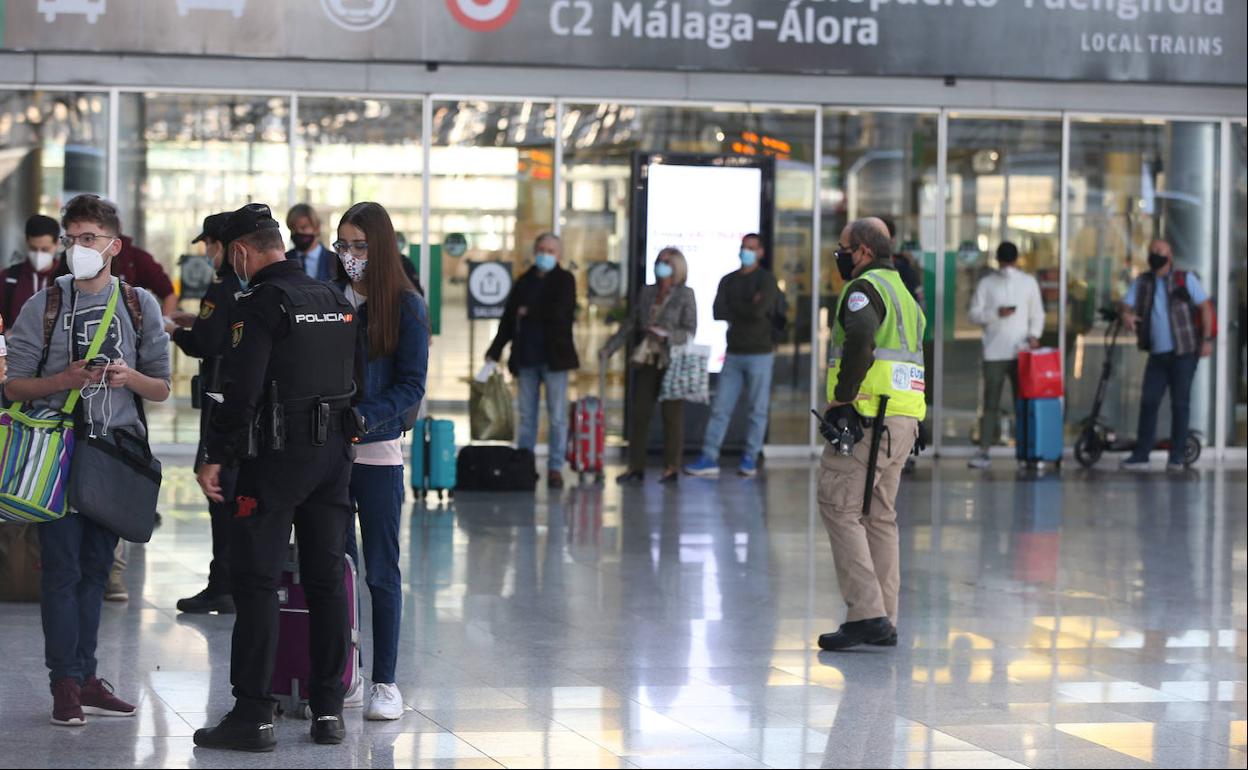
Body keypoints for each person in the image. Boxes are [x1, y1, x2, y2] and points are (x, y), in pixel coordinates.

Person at [193, 203, 362, 752]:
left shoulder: (261, 304)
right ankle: (328, 711)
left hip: (274, 460)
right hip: (334, 456)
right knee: (324, 580)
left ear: (241, 252)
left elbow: (240, 392)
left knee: (258, 582)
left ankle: (253, 714)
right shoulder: (333, 297)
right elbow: (354, 376)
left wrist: (216, 454)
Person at [4, 194, 172, 726]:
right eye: (72, 238)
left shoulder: (140, 304)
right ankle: (65, 684)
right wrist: (64, 380)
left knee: (97, 571)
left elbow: (162, 386)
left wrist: (130, 379)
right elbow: (13, 386)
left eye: (90, 239)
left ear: (114, 246)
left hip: (115, 454)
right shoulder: (45, 305)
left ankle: (87, 673)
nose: (79, 248)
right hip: (56, 453)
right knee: (61, 570)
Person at [334, 202, 429, 721]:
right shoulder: (328, 300)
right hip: (328, 457)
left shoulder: (405, 306)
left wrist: (362, 417)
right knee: (336, 566)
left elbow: (411, 385)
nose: (349, 256)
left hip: (377, 453)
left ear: (381, 247)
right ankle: (347, 670)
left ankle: (386, 681)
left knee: (380, 571)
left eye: (359, 246)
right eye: (342, 245)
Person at [816, 217, 924, 651]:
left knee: (839, 507)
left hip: (869, 418)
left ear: (862, 250)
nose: (840, 256)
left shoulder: (864, 290)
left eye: (843, 248)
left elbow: (860, 341)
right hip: (903, 420)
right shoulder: (906, 298)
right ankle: (885, 618)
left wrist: (842, 399)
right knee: (879, 515)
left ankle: (867, 614)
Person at [168, 212, 242, 615]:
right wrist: (197, 323)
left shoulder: (223, 285)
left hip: (221, 401)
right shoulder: (257, 285)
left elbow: (207, 343)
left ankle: (222, 585)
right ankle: (233, 582)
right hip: (251, 406)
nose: (208, 254)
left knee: (219, 494)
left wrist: (176, 332)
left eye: (210, 246)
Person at [485, 233, 579, 489]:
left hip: (554, 359)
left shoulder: (565, 280)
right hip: (526, 358)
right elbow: (508, 320)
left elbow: (562, 313)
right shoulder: (524, 281)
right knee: (527, 416)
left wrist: (531, 311)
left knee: (557, 416)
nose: (544, 254)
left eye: (550, 250)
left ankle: (555, 468)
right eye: (541, 249)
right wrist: (494, 351)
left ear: (558, 255)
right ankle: (524, 465)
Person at [684, 233, 781, 478]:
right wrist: (748, 304)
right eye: (743, 247)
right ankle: (709, 456)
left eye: (751, 248)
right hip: (734, 353)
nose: (745, 251)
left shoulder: (766, 280)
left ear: (760, 253)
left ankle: (750, 457)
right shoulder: (729, 280)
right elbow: (718, 311)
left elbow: (760, 311)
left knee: (757, 410)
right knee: (721, 408)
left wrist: (739, 308)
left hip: (760, 353)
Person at [601, 248, 697, 485]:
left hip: (671, 360)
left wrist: (666, 335)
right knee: (640, 413)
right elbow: (631, 323)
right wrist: (610, 348)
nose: (660, 266)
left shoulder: (685, 294)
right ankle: (636, 467)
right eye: (658, 261)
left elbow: (689, 330)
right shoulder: (647, 292)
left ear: (677, 266)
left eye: (666, 262)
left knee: (672, 416)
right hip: (646, 359)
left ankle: (671, 467)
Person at [1118, 238, 1214, 471]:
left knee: (1180, 404)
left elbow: (1205, 307)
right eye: (1152, 251)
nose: (1155, 256)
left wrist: (1207, 339)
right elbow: (1125, 305)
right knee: (1149, 402)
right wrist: (1126, 316)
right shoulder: (1143, 282)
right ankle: (1141, 455)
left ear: (1169, 255)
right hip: (1157, 355)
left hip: (1184, 353)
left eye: (1159, 251)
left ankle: (1177, 457)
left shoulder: (1184, 279)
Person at [965, 241, 1044, 469]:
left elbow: (1036, 315)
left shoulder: (1023, 283)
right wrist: (996, 313)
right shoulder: (991, 283)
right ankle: (1015, 452)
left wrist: (1032, 335)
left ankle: (1019, 451)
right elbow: (974, 314)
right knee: (1005, 404)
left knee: (1013, 404)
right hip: (997, 352)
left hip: (1018, 352)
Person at [2, 215, 64, 325]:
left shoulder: (66, 278)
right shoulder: (8, 278)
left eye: (45, 249)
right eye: (33, 248)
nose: (39, 254)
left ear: (57, 244)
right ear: (26, 242)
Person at [286, 203, 336, 282]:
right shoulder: (285, 261)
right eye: (293, 229)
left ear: (316, 228)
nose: (298, 232)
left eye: (304, 228)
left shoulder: (335, 261)